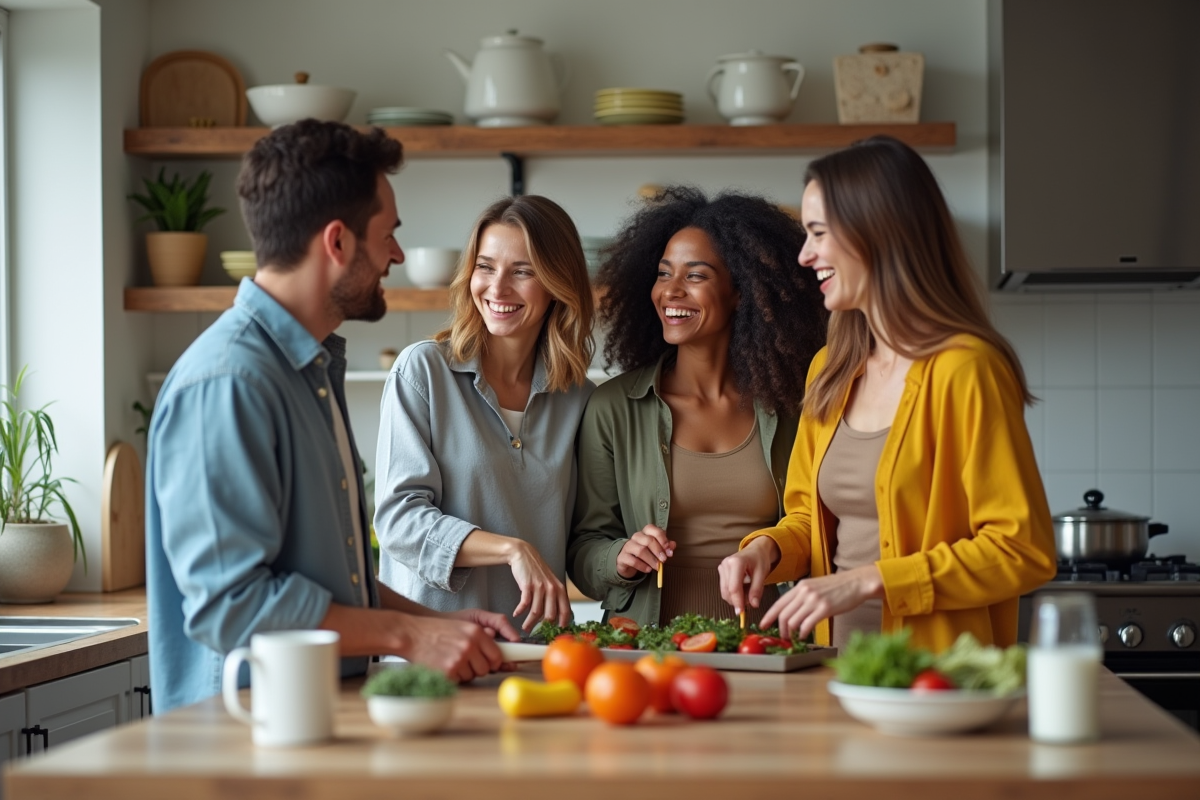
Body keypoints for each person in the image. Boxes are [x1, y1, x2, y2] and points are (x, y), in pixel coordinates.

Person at [146, 120, 519, 715]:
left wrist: (437, 620)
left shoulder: (309, 371)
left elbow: (327, 579)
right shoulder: (229, 383)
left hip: (308, 719)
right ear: (338, 242)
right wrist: (410, 637)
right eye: (389, 234)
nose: (397, 253)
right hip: (241, 736)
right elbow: (232, 605)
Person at [718, 136, 1058, 652]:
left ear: (877, 234)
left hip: (935, 681)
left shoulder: (966, 369)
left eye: (818, 233)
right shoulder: (829, 369)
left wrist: (874, 580)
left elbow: (1021, 549)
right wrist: (764, 550)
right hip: (834, 669)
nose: (805, 256)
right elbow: (810, 520)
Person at [568, 187, 827, 627]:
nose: (670, 291)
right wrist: (619, 556)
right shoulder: (614, 407)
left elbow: (813, 533)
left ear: (742, 293)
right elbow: (583, 549)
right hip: (646, 647)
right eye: (664, 273)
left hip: (763, 642)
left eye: (695, 276)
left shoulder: (793, 408)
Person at [374, 195, 595, 633]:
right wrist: (512, 549)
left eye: (523, 271)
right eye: (486, 266)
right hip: (435, 648)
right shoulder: (423, 372)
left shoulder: (580, 398)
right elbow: (398, 519)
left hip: (536, 653)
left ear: (557, 283)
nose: (497, 289)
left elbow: (585, 539)